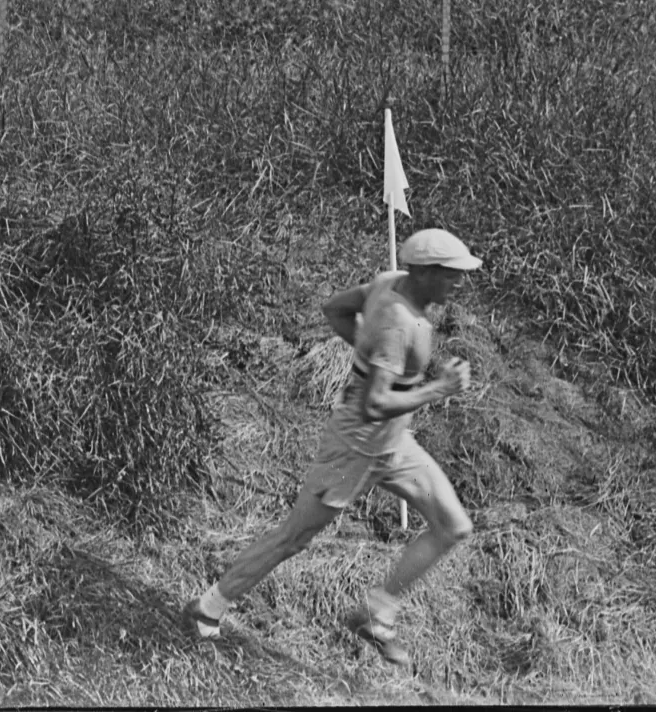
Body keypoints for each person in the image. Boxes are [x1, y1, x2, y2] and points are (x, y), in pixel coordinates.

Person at [183, 228, 482, 668]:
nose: (459, 283)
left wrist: (367, 359)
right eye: (452, 274)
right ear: (424, 271)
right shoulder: (399, 324)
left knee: (453, 526)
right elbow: (376, 403)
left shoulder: (388, 282)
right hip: (355, 447)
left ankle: (376, 614)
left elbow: (335, 309)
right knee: (295, 536)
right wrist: (439, 388)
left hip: (394, 443)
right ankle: (208, 607)